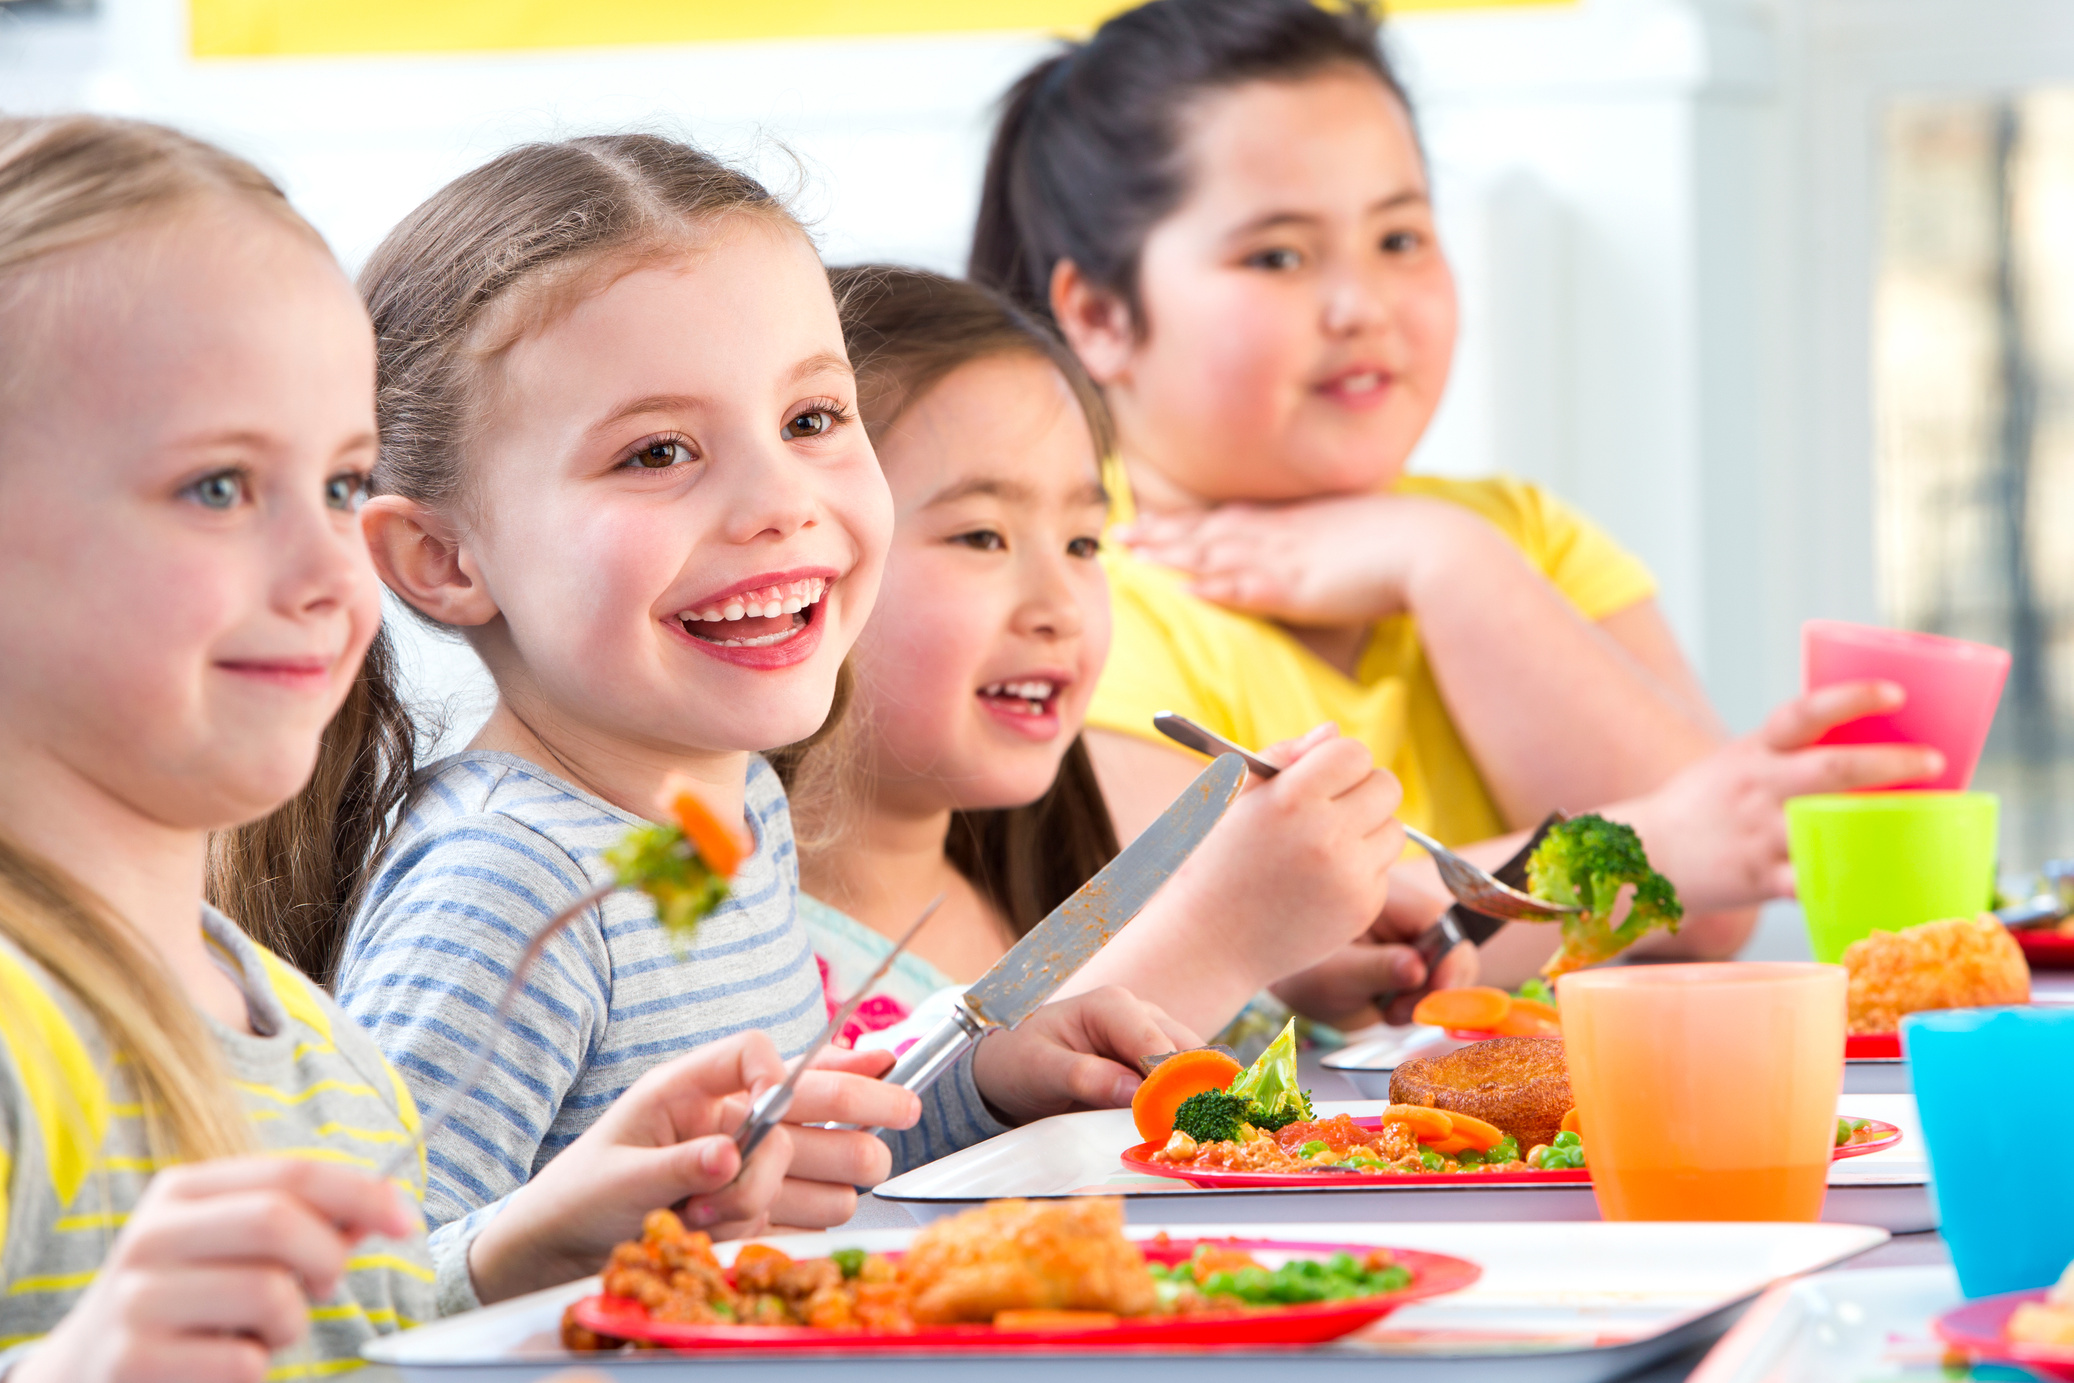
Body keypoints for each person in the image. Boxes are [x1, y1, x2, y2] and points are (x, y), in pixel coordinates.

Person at [0, 114, 896, 1380]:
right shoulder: (29, 1037)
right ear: (439, 557)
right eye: (217, 487)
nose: (325, 567)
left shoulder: (317, 1061)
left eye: (335, 484)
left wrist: (520, 1253)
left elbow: (367, 1342)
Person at [305, 136, 1198, 1245]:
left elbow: (783, 1178)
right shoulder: (503, 886)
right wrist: (543, 1243)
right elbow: (348, 1297)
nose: (781, 502)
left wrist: (979, 1087)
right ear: (441, 559)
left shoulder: (730, 816)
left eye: (811, 420)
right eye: (658, 452)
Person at [969, 0, 1940, 995]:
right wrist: (1653, 847)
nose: (1364, 306)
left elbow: (1716, 900)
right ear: (1100, 314)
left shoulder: (1518, 535)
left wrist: (1447, 563)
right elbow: (1258, 959)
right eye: (1278, 256)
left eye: (1400, 238)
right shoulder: (1074, 606)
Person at [781, 266, 1471, 1053]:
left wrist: (1287, 981)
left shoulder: (1059, 906)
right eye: (982, 536)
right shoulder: (733, 959)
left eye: (1082, 544)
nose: (1062, 606)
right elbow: (921, 1116)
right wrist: (1224, 932)